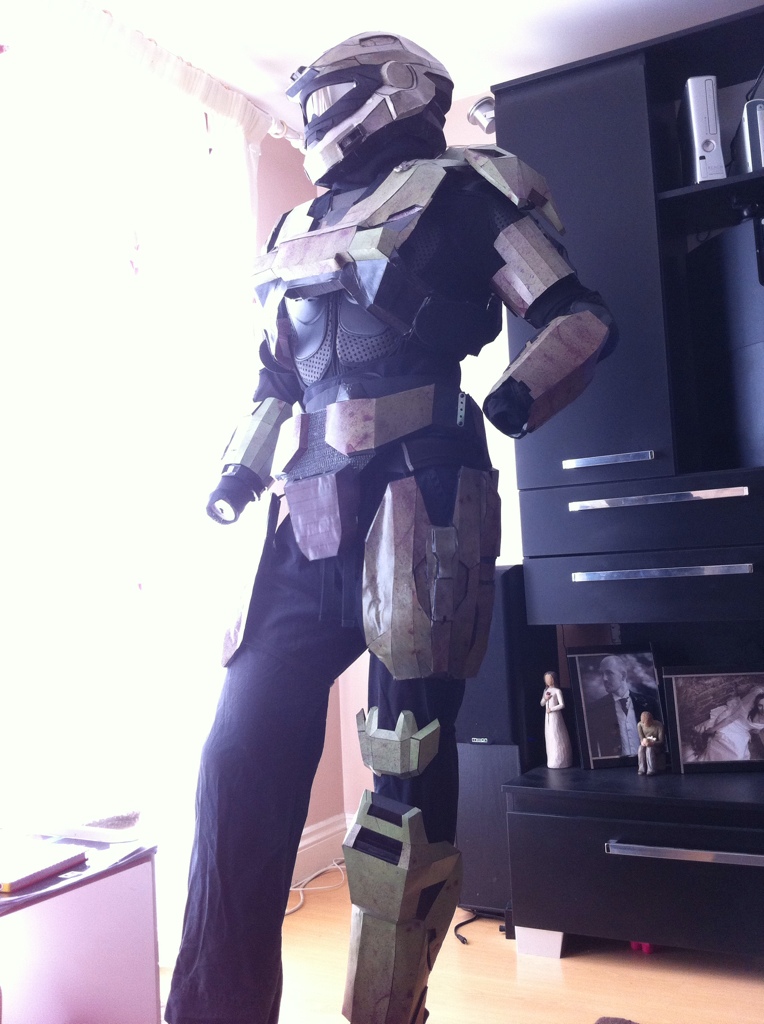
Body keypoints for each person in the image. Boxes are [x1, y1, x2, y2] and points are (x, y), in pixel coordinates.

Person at [164, 31, 615, 1024]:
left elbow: (576, 318)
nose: (315, 109)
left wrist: (512, 395)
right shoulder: (297, 225)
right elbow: (277, 377)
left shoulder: (468, 191)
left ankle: (385, 1012)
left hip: (423, 504)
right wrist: (241, 466)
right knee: (235, 764)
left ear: (394, 89)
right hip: (306, 513)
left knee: (402, 779)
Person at [584, 655, 660, 760]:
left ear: (623, 675)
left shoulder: (649, 703)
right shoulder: (595, 710)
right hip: (615, 767)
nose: (604, 678)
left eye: (609, 673)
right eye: (602, 674)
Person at [690, 687, 764, 762]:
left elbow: (755, 730)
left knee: (737, 756)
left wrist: (752, 732)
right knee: (722, 741)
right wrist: (712, 729)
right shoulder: (748, 708)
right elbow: (730, 719)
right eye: (760, 705)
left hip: (742, 733)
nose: (763, 709)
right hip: (733, 724)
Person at [540, 670, 573, 768]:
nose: (547, 681)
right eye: (546, 679)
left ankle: (562, 760)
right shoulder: (545, 691)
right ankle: (552, 760)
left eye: (549, 679)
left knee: (556, 736)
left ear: (553, 679)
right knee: (550, 737)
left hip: (555, 717)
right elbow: (542, 703)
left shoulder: (557, 691)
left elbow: (562, 705)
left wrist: (552, 709)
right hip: (548, 718)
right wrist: (545, 698)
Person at [636, 710, 665, 775]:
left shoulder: (659, 725)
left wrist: (652, 743)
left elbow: (661, 741)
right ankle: (641, 768)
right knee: (640, 748)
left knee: (649, 749)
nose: (646, 725)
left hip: (656, 746)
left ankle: (651, 769)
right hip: (645, 745)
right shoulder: (640, 725)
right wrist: (643, 742)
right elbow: (641, 738)